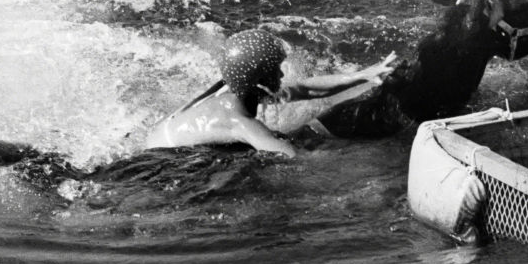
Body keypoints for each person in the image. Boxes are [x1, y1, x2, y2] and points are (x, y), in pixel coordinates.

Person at [145, 30, 396, 157]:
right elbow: (287, 156)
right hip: (164, 159)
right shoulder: (239, 121)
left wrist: (362, 75)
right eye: (276, 70)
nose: (283, 76)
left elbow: (304, 89)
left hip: (158, 135)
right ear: (259, 80)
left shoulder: (235, 87)